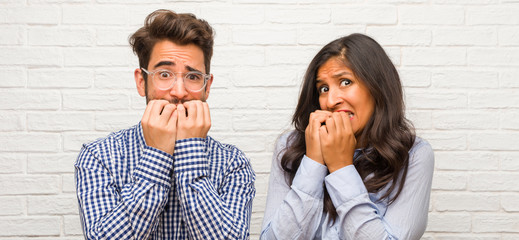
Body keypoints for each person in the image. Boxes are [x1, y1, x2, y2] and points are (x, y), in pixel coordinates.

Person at [74, 9, 255, 239]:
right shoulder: (98, 157)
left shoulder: (233, 164)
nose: (179, 92)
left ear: (207, 87)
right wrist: (157, 155)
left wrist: (191, 152)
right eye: (165, 74)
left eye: (193, 77)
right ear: (142, 82)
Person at [260, 33, 434, 240]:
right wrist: (314, 161)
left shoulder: (414, 155)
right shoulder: (289, 147)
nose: (331, 101)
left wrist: (341, 167)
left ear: (377, 87)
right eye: (323, 88)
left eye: (345, 82)